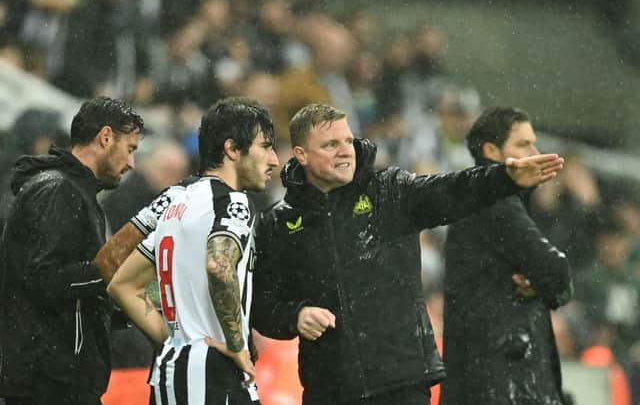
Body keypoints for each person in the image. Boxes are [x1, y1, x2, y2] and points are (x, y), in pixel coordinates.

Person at [251, 103, 564, 405]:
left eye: (348, 140)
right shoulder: (278, 225)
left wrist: (504, 179)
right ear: (301, 154)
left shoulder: (389, 191)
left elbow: (453, 189)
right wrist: (295, 315)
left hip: (401, 385)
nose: (345, 150)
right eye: (330, 144)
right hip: (329, 390)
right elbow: (262, 306)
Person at [107, 97, 279, 405]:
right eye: (265, 147)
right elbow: (219, 265)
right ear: (232, 149)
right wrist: (237, 345)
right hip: (212, 373)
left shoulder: (178, 203)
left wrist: (175, 341)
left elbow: (122, 284)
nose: (275, 159)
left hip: (170, 370)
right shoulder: (232, 203)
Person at [0, 96, 144, 405]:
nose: (132, 164)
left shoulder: (78, 194)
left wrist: (133, 303)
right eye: (130, 149)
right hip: (47, 383)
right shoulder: (57, 190)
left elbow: (73, 295)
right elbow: (44, 280)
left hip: (61, 381)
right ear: (105, 137)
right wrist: (113, 273)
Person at [440, 107, 573, 405]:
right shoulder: (494, 200)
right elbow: (557, 269)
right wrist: (544, 283)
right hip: (503, 379)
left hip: (481, 377)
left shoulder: (477, 197)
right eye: (523, 144)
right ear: (491, 150)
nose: (535, 152)